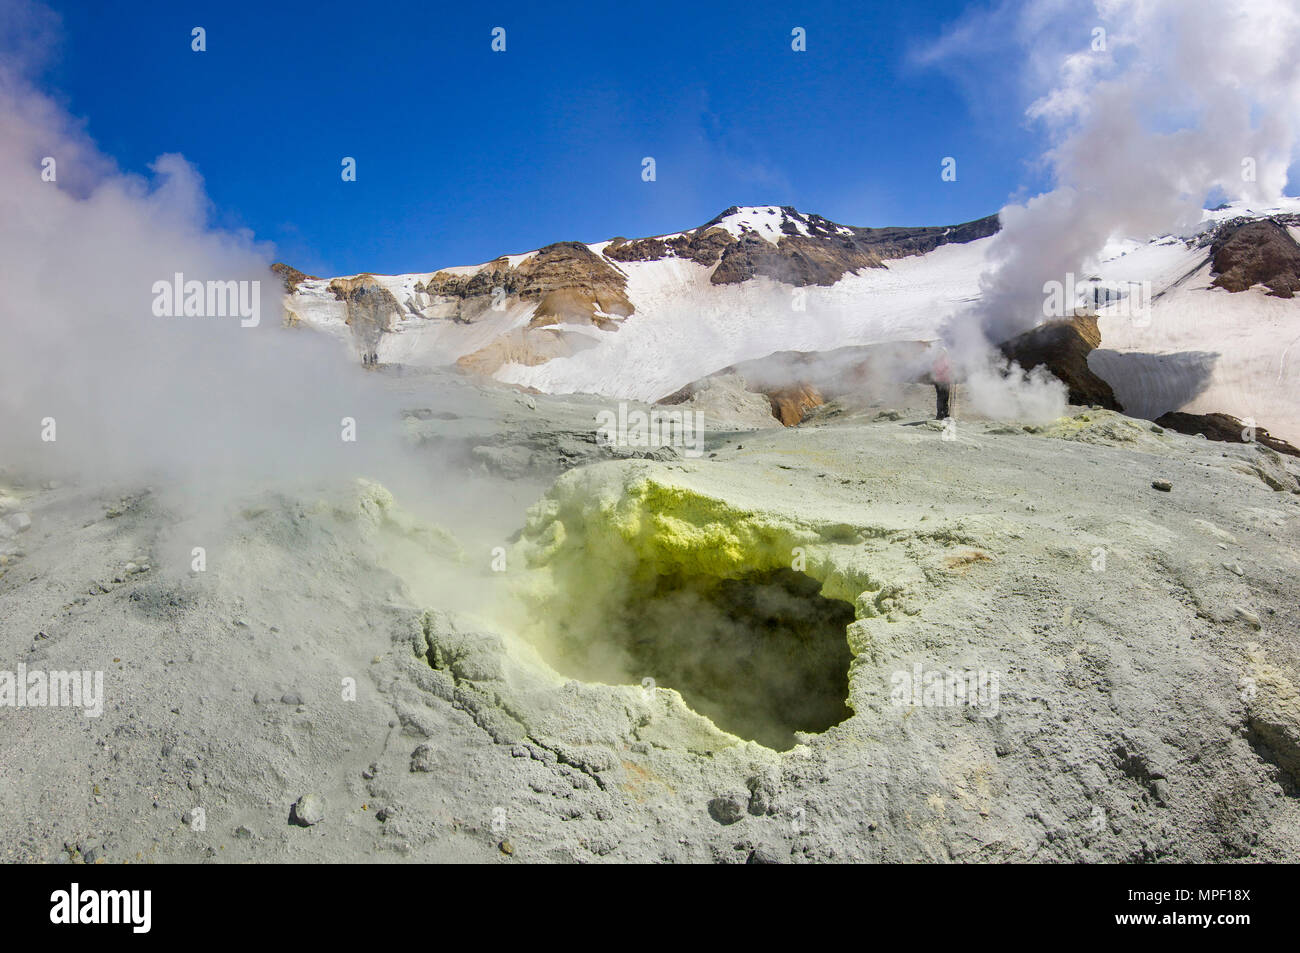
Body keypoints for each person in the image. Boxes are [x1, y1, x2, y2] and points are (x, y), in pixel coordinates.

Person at [932, 346, 954, 420]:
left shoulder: (947, 360)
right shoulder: (936, 361)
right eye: (941, 352)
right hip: (939, 381)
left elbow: (950, 369)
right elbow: (937, 371)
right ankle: (940, 414)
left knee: (946, 397)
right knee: (941, 397)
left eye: (944, 353)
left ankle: (945, 413)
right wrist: (946, 369)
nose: (943, 354)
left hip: (946, 381)